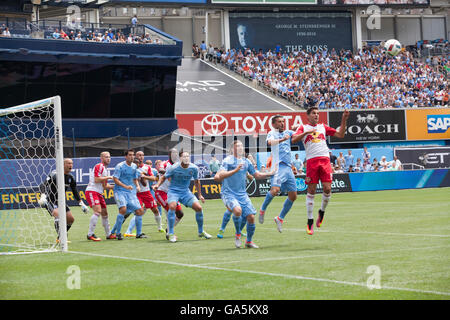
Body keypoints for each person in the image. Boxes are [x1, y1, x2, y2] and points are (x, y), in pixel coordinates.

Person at [291, 107, 350, 235]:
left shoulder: (323, 126)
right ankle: (310, 221)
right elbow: (294, 139)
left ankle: (321, 212)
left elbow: (341, 134)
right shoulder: (303, 127)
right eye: (314, 113)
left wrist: (344, 119)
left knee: (327, 188)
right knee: (311, 190)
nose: (316, 115)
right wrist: (306, 133)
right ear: (308, 116)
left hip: (325, 160)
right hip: (311, 161)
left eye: (318, 113)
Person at [215, 141, 276, 248]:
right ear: (232, 149)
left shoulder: (246, 161)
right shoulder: (227, 161)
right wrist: (235, 170)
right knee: (237, 210)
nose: (240, 148)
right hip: (228, 193)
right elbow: (221, 174)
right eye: (237, 146)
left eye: (241, 146)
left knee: (251, 217)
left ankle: (249, 242)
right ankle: (238, 234)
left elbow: (256, 175)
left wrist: (270, 173)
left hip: (242, 194)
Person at [153, 151, 211, 243]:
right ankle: (171, 233)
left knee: (199, 208)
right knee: (172, 207)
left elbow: (197, 181)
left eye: (188, 156)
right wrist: (157, 185)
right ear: (180, 158)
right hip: (173, 192)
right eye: (184, 156)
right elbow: (164, 177)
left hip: (185, 192)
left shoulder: (194, 168)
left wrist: (200, 195)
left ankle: (201, 232)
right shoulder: (174, 168)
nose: (186, 158)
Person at [258, 115, 297, 233]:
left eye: (283, 122)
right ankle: (262, 210)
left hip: (288, 168)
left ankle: (280, 218)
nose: (282, 124)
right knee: (274, 190)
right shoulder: (272, 133)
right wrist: (283, 140)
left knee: (293, 196)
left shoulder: (288, 132)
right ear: (274, 124)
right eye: (279, 122)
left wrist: (298, 128)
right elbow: (270, 142)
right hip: (278, 166)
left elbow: (297, 132)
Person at [38, 158, 89, 241]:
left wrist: (82, 204)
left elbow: (75, 191)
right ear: (63, 165)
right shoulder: (54, 174)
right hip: (50, 200)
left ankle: (61, 236)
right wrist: (43, 196)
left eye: (72, 163)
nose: (71, 165)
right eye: (68, 163)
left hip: (61, 201)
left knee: (70, 219)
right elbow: (42, 185)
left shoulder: (70, 177)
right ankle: (61, 237)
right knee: (57, 214)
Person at [124, 151, 164, 236]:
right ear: (135, 156)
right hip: (136, 193)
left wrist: (144, 176)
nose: (141, 157)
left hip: (146, 193)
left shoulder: (147, 167)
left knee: (155, 210)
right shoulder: (130, 167)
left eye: (142, 155)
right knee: (139, 211)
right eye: (139, 155)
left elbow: (154, 178)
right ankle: (128, 231)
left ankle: (160, 227)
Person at [110, 149, 146, 240]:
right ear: (125, 156)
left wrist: (137, 186)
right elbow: (115, 179)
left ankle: (139, 233)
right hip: (119, 192)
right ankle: (118, 233)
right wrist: (125, 186)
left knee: (139, 211)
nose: (132, 156)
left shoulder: (134, 166)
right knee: (123, 209)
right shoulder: (120, 166)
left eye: (133, 155)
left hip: (130, 193)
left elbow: (134, 179)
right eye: (129, 155)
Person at [153, 148, 185, 238]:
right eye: (173, 153)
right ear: (169, 154)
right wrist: (171, 173)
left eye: (176, 153)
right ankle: (170, 234)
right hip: (161, 192)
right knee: (170, 210)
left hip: (173, 193)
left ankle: (168, 229)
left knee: (180, 214)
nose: (175, 155)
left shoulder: (179, 165)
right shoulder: (164, 163)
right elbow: (161, 170)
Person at [85, 152, 116, 241]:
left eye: (109, 157)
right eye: (106, 157)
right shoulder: (99, 166)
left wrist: (117, 186)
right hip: (92, 191)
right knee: (98, 211)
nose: (108, 159)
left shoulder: (105, 170)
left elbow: (105, 186)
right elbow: (96, 179)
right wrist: (109, 177)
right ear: (101, 158)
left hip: (99, 192)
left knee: (105, 213)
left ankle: (108, 234)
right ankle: (90, 234)